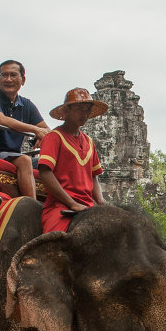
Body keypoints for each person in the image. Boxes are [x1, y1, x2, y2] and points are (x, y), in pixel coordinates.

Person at [37, 88, 107, 233]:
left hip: (88, 206)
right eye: (79, 109)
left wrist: (101, 202)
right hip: (60, 206)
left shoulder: (89, 141)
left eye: (87, 110)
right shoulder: (53, 137)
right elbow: (45, 173)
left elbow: (93, 176)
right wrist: (71, 203)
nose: (84, 114)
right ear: (66, 111)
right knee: (53, 244)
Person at [0, 60, 50, 198]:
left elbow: (46, 129)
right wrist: (36, 130)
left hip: (15, 155)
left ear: (23, 80)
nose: (8, 79)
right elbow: (0, 120)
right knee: (24, 160)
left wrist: (43, 135)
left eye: (13, 75)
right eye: (4, 75)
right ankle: (31, 207)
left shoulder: (26, 104)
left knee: (52, 162)